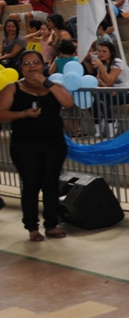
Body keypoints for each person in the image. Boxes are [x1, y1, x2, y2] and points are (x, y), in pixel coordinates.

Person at [0, 50, 74, 241]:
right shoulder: (12, 88)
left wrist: (45, 82)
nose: (32, 67)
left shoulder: (54, 86)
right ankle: (32, 227)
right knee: (31, 185)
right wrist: (22, 114)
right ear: (20, 68)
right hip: (25, 145)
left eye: (36, 62)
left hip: (54, 143)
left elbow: (68, 102)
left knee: (51, 185)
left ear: (44, 65)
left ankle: (51, 225)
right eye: (26, 63)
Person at [84, 38, 129, 138]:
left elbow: (110, 80)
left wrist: (100, 66)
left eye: (104, 51)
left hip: (125, 92)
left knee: (100, 95)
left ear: (111, 52)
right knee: (92, 96)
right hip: (112, 92)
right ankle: (98, 122)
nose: (101, 54)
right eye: (100, 51)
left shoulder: (117, 63)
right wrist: (108, 88)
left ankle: (111, 121)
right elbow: (98, 80)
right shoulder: (104, 63)